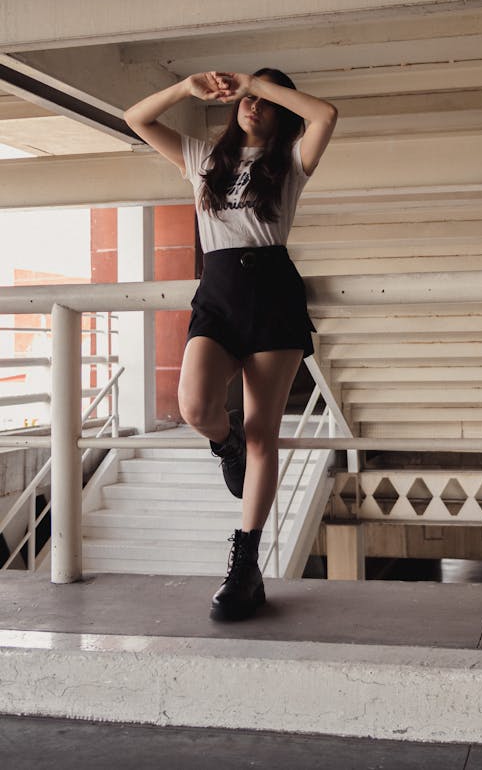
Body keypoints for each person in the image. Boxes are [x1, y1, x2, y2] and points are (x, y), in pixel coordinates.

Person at [123, 69, 337, 621]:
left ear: (277, 110)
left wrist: (258, 83)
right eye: (246, 97)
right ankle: (225, 444)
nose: (252, 104)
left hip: (272, 296)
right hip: (218, 294)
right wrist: (185, 90)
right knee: (196, 406)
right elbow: (136, 118)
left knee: (266, 431)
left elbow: (325, 115)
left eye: (263, 99)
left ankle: (245, 566)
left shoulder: (290, 161)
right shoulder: (203, 159)